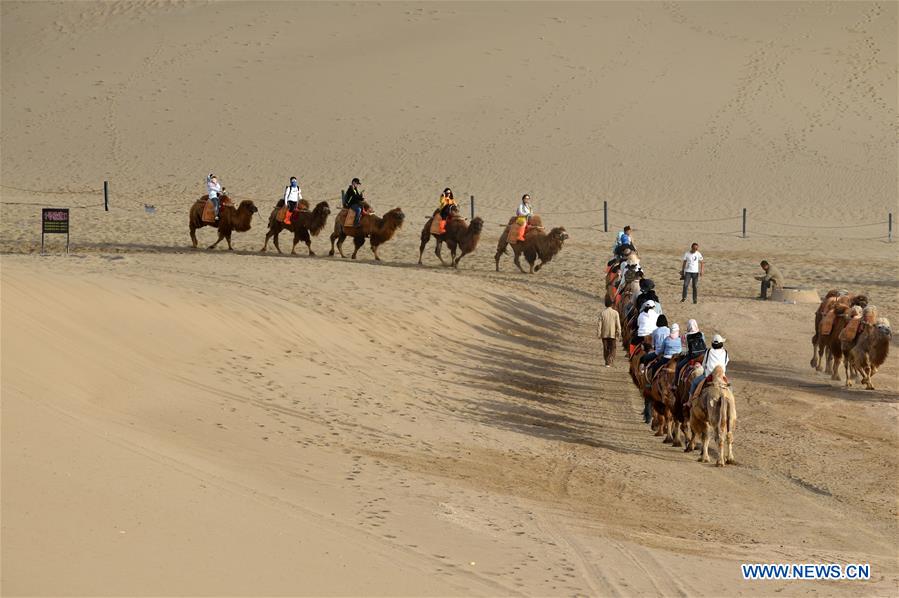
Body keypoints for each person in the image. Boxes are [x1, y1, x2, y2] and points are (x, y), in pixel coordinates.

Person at [689, 334, 729, 399]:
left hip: (708, 375)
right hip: (721, 376)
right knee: (729, 389)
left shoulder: (709, 351)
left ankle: (689, 401)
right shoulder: (725, 352)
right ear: (721, 344)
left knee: (694, 383)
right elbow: (726, 362)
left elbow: (704, 364)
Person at [674, 319, 707, 384]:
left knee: (678, 367)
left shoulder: (684, 336)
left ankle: (675, 384)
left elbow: (684, 352)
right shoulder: (701, 334)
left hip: (692, 357)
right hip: (703, 356)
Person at [598, 297, 622, 367]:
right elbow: (618, 324)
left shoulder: (602, 313)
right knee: (613, 347)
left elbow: (599, 324)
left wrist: (599, 333)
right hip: (612, 334)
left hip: (604, 334)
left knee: (605, 348)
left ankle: (606, 361)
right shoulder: (615, 313)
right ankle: (610, 359)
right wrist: (619, 332)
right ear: (612, 305)